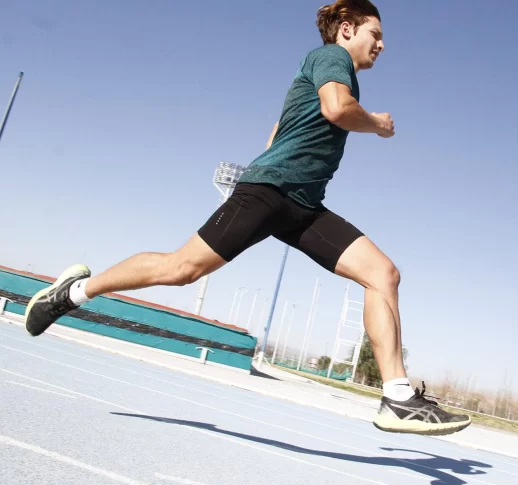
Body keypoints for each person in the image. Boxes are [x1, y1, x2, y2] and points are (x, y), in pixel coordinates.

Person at [24, 0, 471, 436]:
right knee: (182, 269)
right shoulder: (331, 57)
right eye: (376, 34)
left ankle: (397, 397)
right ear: (347, 29)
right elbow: (336, 109)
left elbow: (280, 130)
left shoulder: (329, 71)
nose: (382, 45)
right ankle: (74, 292)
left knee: (383, 274)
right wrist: (375, 123)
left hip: (302, 205)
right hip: (269, 193)